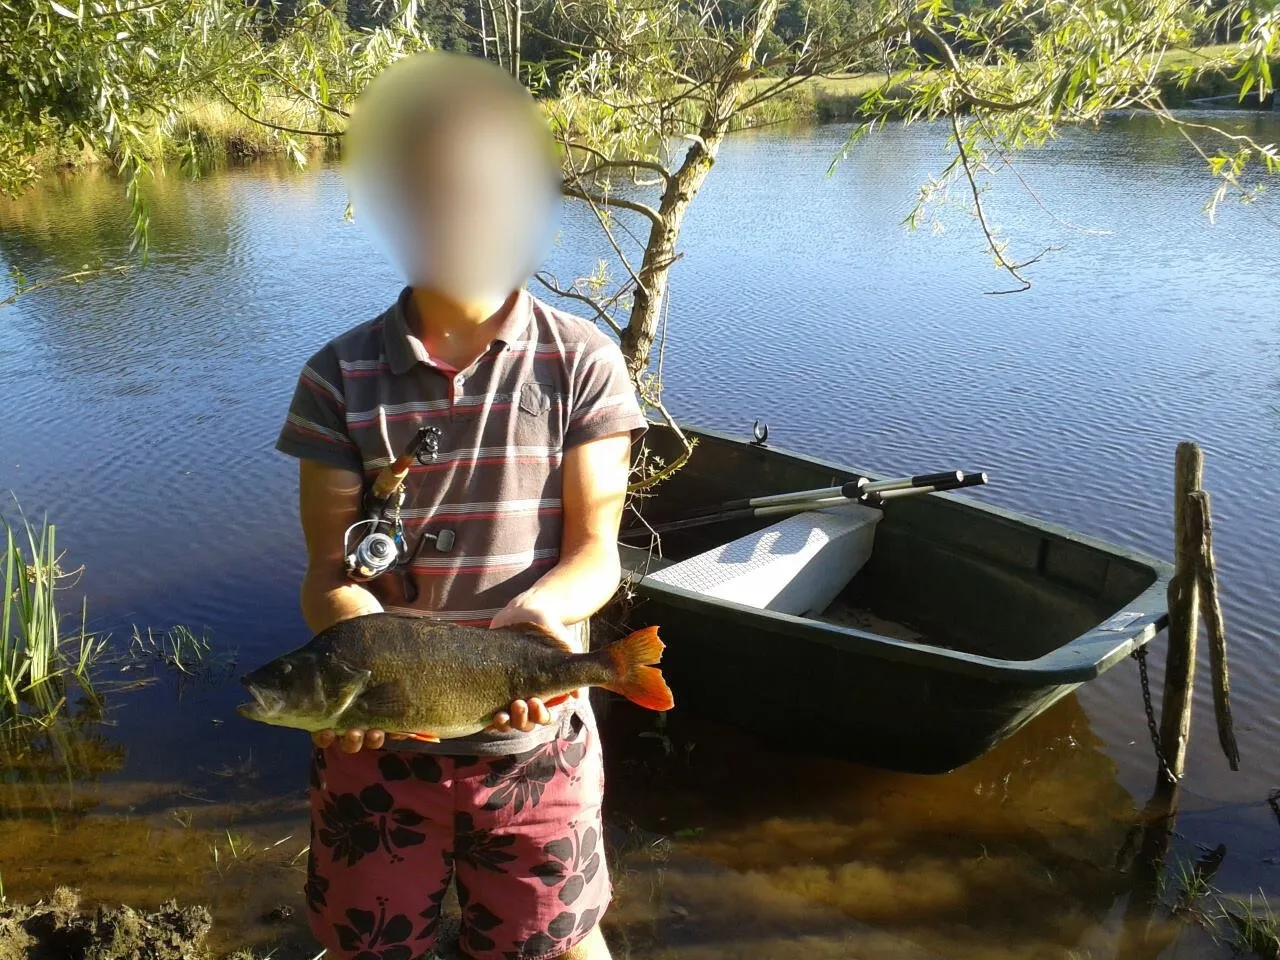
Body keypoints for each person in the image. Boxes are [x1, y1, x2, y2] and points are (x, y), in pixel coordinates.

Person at [274, 52, 647, 960]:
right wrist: (354, 642)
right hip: (374, 752)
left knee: (556, 945)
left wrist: (546, 618)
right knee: (363, 944)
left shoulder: (583, 363)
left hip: (536, 739)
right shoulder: (337, 378)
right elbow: (330, 575)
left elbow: (599, 550)